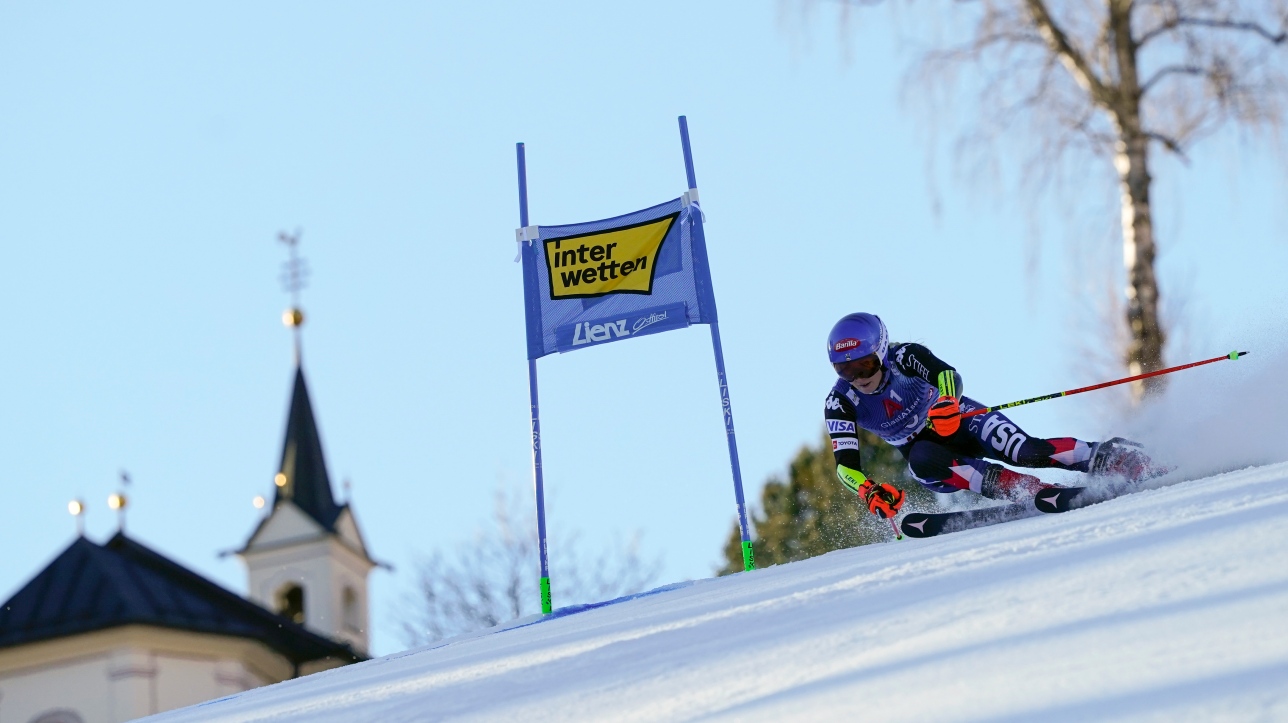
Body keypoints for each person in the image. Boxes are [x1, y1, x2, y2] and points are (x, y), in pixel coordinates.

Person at [823, 312, 1151, 519]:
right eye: (844, 369)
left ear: (880, 351)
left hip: (957, 419)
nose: (858, 376)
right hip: (929, 457)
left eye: (863, 364)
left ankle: (1115, 458)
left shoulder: (904, 356)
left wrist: (948, 401)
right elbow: (846, 467)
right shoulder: (840, 401)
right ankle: (1030, 490)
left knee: (1025, 450)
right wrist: (869, 491)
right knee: (920, 458)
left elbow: (947, 375)